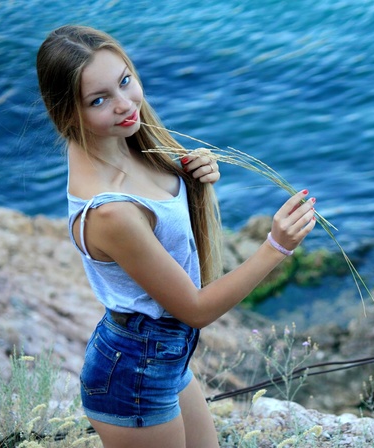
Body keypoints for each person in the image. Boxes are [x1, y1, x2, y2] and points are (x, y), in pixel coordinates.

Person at [36, 25, 317, 448]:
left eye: (125, 80)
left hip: (161, 356)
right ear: (68, 114)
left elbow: (163, 208)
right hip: (133, 372)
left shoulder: (126, 143)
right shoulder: (111, 212)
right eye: (99, 100)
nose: (125, 104)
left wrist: (194, 177)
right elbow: (196, 310)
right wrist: (276, 247)